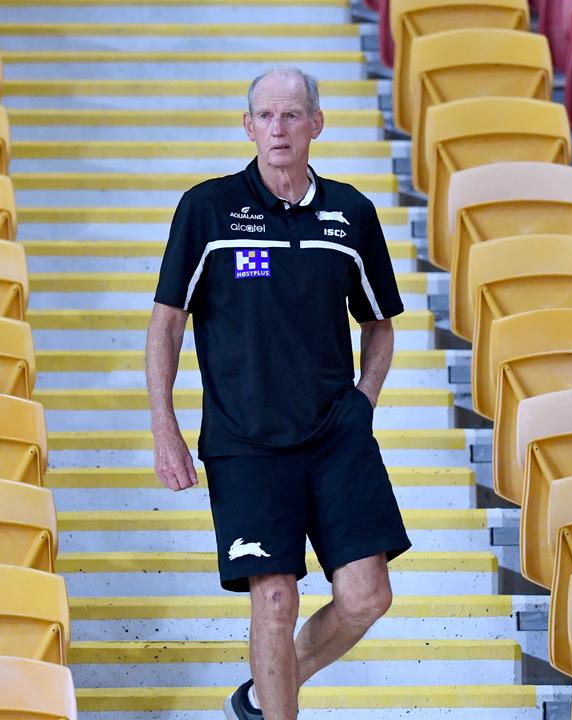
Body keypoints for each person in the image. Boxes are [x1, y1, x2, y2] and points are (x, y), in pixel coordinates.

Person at [146, 67, 413, 720]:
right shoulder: (207, 210)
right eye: (265, 116)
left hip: (335, 436)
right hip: (245, 441)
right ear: (248, 127)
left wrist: (365, 400)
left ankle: (268, 693)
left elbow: (379, 324)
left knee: (366, 595)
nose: (278, 128)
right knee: (273, 599)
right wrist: (166, 429)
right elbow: (167, 324)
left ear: (316, 125)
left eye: (292, 115)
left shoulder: (351, 214)